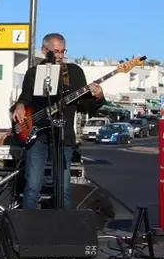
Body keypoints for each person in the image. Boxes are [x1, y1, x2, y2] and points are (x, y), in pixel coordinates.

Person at [11, 33, 104, 210]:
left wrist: (98, 97)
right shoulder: (34, 73)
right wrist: (20, 105)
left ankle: (63, 226)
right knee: (32, 186)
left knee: (63, 187)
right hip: (38, 136)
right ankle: (28, 227)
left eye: (62, 52)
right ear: (44, 51)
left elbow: (85, 106)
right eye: (55, 52)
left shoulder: (74, 72)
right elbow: (25, 98)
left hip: (64, 136)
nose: (60, 56)